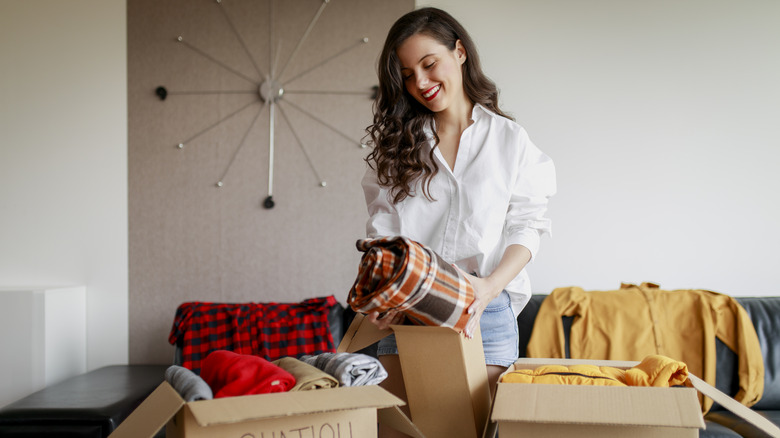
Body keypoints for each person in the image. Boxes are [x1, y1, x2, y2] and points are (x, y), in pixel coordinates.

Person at [361, 7, 555, 436]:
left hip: (482, 309)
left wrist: (489, 288)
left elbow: (528, 225)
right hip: (410, 309)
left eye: (429, 65)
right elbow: (383, 228)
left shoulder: (509, 140)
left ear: (460, 52)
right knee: (399, 433)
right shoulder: (398, 143)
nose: (421, 84)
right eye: (408, 74)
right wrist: (382, 292)